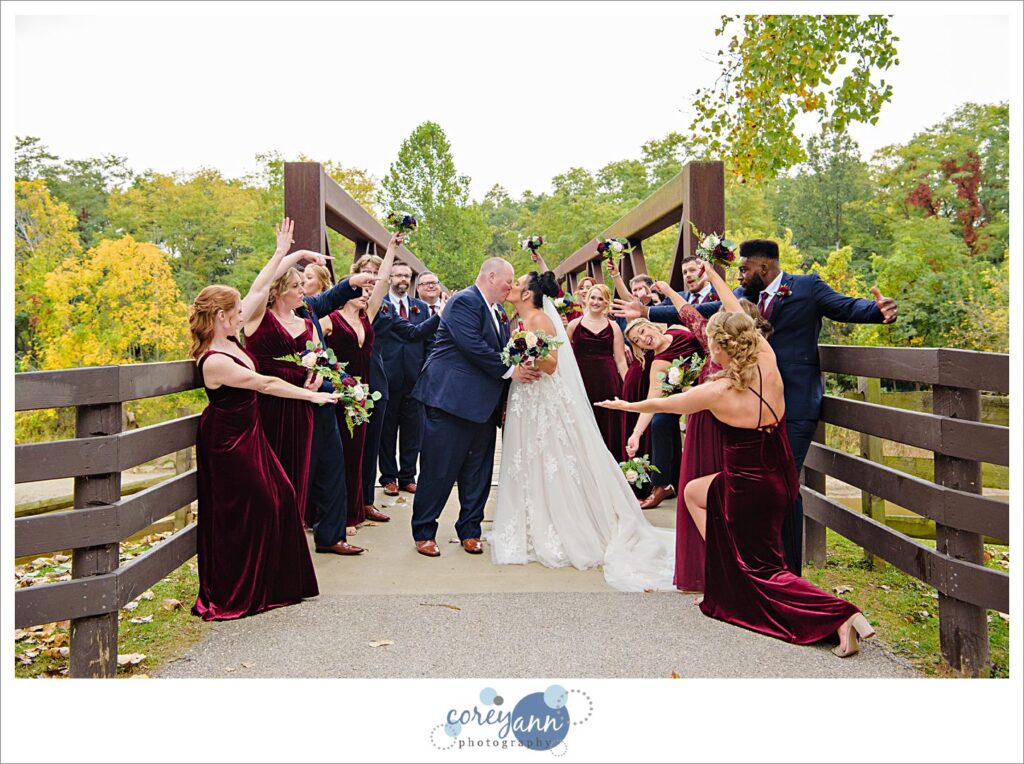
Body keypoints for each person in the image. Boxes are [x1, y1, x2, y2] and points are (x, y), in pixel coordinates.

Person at [598, 263, 876, 656]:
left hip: (749, 486)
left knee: (765, 571)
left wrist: (626, 404)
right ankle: (728, 574)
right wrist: (713, 276)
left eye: (712, 345)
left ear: (722, 349)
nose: (709, 350)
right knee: (695, 492)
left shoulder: (718, 392)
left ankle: (842, 615)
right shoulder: (767, 358)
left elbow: (665, 402)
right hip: (780, 476)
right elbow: (739, 313)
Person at [614, 238, 897, 573]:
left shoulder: (806, 287)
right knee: (759, 487)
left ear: (764, 266)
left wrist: (877, 312)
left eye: (745, 268)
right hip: (750, 411)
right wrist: (647, 312)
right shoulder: (744, 299)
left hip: (795, 403)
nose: (741, 275)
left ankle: (785, 570)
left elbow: (846, 307)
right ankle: (757, 565)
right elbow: (700, 312)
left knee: (785, 485)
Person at [488, 271, 677, 591]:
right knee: (529, 460)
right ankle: (531, 521)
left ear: (527, 294)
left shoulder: (539, 320)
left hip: (542, 400)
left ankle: (565, 524)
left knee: (552, 458)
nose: (513, 286)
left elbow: (551, 365)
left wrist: (527, 351)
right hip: (527, 399)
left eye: (518, 283)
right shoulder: (518, 319)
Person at [190, 285, 339, 620]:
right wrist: (311, 397)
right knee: (251, 506)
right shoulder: (213, 360)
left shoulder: (230, 340)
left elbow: (259, 289)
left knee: (282, 495)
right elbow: (265, 384)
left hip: (250, 432)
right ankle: (237, 589)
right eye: (237, 311)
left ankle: (274, 585)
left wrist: (284, 253)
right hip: (228, 441)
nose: (243, 315)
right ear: (220, 316)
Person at [247, 219, 371, 556]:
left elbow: (322, 356)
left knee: (330, 466)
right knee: (288, 474)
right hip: (277, 405)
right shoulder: (258, 317)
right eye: (297, 284)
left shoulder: (306, 318)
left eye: (305, 284)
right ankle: (282, 541)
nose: (304, 290)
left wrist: (326, 376)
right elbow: (261, 285)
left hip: (317, 401)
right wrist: (289, 252)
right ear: (279, 289)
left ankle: (331, 536)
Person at [409, 259, 541, 557]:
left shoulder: (498, 311)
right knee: (439, 469)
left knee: (478, 473)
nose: (511, 287)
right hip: (450, 402)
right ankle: (424, 531)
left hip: (483, 406)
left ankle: (470, 530)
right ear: (491, 276)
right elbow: (472, 346)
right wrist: (511, 372)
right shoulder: (464, 301)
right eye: (508, 281)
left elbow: (500, 349)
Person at [622, 303, 706, 510]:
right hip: (682, 395)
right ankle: (661, 485)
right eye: (637, 341)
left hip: (710, 385)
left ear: (652, 326)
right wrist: (636, 434)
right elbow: (652, 401)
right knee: (659, 421)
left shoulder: (679, 330)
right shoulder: (659, 363)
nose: (643, 339)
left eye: (642, 331)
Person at [377, 261, 431, 497]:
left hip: (414, 376)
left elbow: (429, 341)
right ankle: (388, 477)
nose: (402, 280)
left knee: (413, 430)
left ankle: (408, 476)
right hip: (387, 376)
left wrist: (426, 371)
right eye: (398, 275)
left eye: (407, 276)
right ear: (389, 278)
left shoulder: (421, 307)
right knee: (386, 431)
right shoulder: (379, 305)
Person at [566, 284, 629, 460]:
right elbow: (564, 359)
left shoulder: (614, 327)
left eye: (600, 298)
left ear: (606, 302)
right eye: (593, 297)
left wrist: (628, 386)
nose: (595, 302)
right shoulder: (573, 325)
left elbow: (620, 360)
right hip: (581, 379)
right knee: (583, 420)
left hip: (607, 381)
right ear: (586, 299)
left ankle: (610, 462)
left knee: (608, 422)